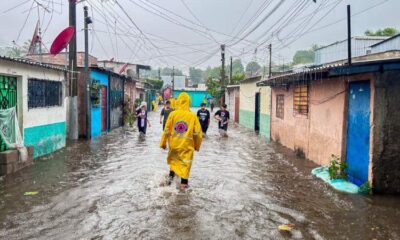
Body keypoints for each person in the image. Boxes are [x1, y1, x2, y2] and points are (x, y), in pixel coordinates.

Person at [160, 92, 203, 190]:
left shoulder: (172, 114)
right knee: (185, 168)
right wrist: (197, 146)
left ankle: (169, 184)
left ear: (178, 102)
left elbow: (166, 130)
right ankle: (183, 193)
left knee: (173, 164)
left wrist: (162, 143)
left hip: (174, 146)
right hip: (187, 148)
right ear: (188, 102)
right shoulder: (192, 116)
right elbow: (198, 134)